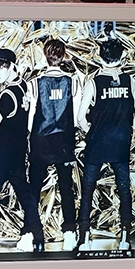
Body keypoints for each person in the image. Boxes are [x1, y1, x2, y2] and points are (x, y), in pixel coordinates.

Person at [76, 36, 135, 251]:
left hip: (97, 142)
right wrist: (127, 128)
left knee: (87, 189)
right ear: (121, 56)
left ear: (100, 58)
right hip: (120, 142)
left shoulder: (94, 82)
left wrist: (91, 132)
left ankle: (84, 238)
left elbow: (80, 117)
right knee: (124, 189)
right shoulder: (129, 80)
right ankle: (125, 237)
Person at [0, 48, 44, 255]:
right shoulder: (23, 87)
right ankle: (39, 238)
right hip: (18, 151)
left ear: (12, 66)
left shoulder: (6, 94)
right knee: (25, 195)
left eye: (1, 67)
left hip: (1, 153)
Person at [27, 38, 79, 250]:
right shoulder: (72, 81)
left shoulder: (35, 83)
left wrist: (30, 138)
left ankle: (29, 234)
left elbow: (31, 116)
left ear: (45, 56)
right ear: (64, 56)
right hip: (64, 140)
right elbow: (75, 116)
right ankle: (69, 234)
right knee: (66, 188)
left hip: (40, 140)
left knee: (34, 188)